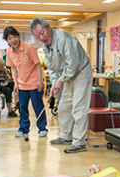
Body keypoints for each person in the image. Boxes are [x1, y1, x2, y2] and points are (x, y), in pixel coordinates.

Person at [30, 17, 93, 153]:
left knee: (78, 107)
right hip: (68, 75)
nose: (41, 37)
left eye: (42, 33)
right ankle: (66, 136)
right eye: (37, 36)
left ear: (49, 28)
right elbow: (52, 68)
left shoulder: (64, 39)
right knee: (63, 106)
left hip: (81, 72)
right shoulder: (46, 47)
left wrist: (60, 81)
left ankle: (79, 142)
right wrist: (54, 83)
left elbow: (74, 63)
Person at [3, 26, 48, 138]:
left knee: (38, 106)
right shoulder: (9, 51)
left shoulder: (28, 47)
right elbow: (12, 68)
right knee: (22, 107)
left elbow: (37, 64)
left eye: (14, 37)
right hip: (21, 84)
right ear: (7, 41)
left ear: (18, 36)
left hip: (34, 83)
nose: (13, 40)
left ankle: (42, 128)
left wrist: (39, 80)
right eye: (9, 39)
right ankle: (23, 129)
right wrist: (16, 83)